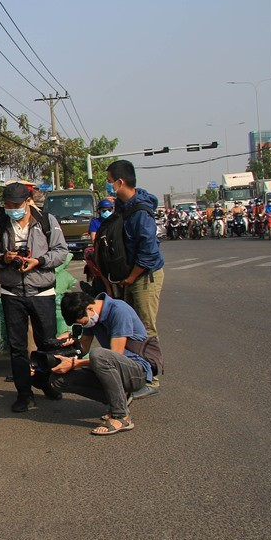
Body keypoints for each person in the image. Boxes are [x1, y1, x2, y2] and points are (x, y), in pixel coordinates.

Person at [0, 182, 70, 413]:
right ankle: (24, 393)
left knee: (47, 343)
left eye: (16, 205)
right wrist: (5, 258)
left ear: (27, 202)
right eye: (8, 205)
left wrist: (38, 261)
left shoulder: (46, 221)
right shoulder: (1, 224)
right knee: (17, 347)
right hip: (12, 293)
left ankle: (47, 382)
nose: (12, 209)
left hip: (42, 291)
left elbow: (61, 251)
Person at [53, 291, 154, 435]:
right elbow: (83, 348)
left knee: (98, 354)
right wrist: (65, 346)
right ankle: (120, 397)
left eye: (82, 322)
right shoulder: (92, 316)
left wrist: (75, 364)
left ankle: (121, 416)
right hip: (114, 368)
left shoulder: (119, 311)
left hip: (137, 371)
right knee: (59, 380)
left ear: (89, 308)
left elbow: (115, 355)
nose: (84, 324)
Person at [105, 160, 164, 391]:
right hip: (129, 277)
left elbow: (148, 253)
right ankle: (136, 374)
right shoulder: (123, 206)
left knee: (145, 329)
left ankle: (152, 380)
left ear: (120, 182)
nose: (108, 186)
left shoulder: (140, 213)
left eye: (110, 181)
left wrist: (130, 279)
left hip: (143, 277)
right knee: (130, 328)